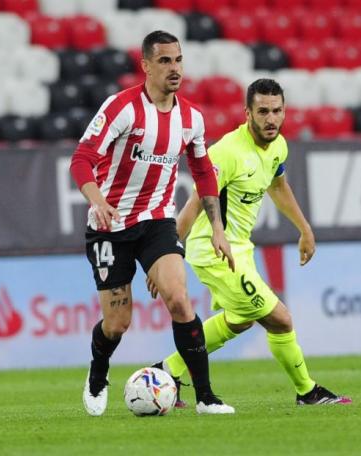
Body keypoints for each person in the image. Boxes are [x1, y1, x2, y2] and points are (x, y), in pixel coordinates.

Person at [149, 79, 351, 407]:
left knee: (241, 319)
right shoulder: (227, 152)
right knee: (280, 319)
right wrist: (168, 252)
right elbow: (195, 201)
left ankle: (168, 369)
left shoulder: (278, 146)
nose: (271, 119)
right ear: (247, 113)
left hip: (240, 246)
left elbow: (278, 185)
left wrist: (305, 228)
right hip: (213, 248)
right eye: (263, 112)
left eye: (277, 111)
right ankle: (307, 391)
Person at [69, 30, 236, 416]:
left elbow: (204, 174)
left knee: (179, 299)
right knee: (118, 323)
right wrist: (99, 201)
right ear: (145, 65)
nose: (174, 68)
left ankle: (206, 397)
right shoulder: (122, 108)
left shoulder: (191, 118)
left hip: (158, 221)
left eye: (178, 60)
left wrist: (217, 230)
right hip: (110, 226)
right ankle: (98, 372)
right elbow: (81, 159)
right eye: (164, 61)